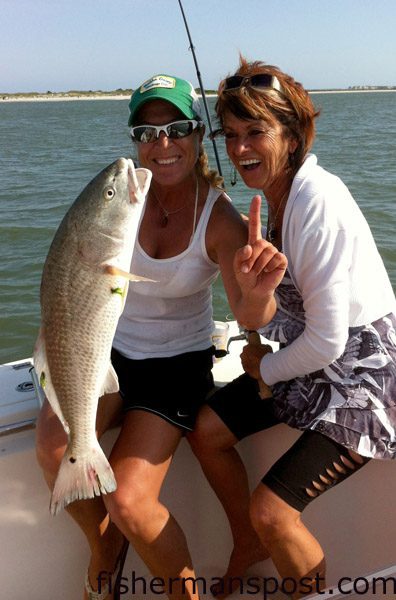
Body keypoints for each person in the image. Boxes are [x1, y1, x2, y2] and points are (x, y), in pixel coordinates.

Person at [35, 73, 286, 600]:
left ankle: (183, 594)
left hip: (175, 367)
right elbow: (68, 281)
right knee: (54, 446)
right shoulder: (112, 203)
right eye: (147, 133)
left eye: (176, 128)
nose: (162, 144)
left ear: (198, 137)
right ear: (134, 141)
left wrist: (257, 289)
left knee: (128, 500)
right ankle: (104, 548)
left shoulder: (218, 220)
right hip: (109, 353)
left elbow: (252, 318)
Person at [189, 56, 396, 599]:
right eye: (229, 134)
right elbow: (274, 317)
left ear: (295, 133)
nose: (238, 149)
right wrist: (255, 299)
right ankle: (246, 541)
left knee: (273, 511)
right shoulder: (279, 199)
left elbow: (329, 339)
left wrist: (265, 368)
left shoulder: (316, 201)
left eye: (255, 131)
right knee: (206, 431)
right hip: (311, 362)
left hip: (363, 381)